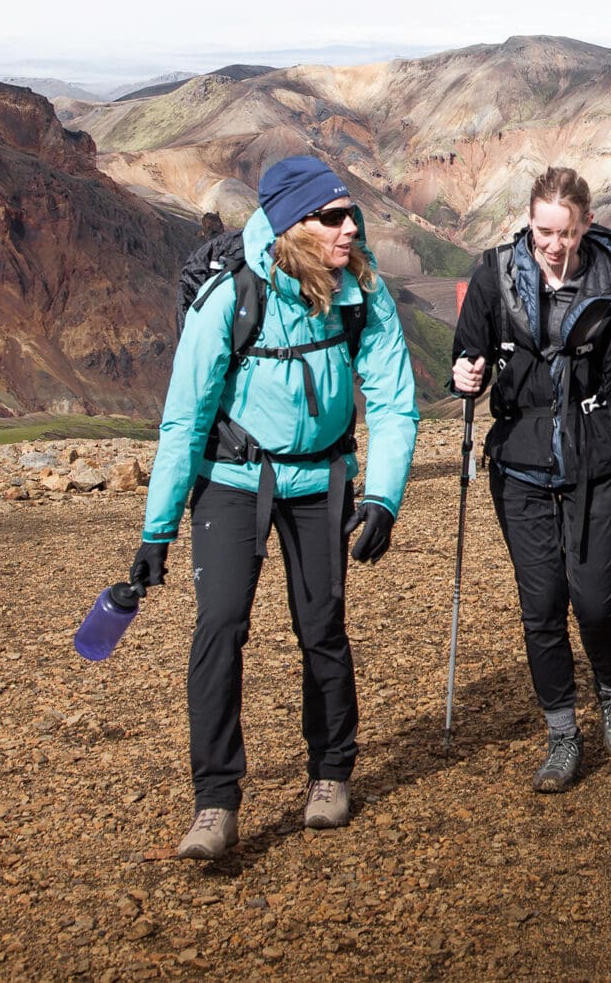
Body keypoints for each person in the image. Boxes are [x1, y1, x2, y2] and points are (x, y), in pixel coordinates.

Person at [135, 156, 419, 861]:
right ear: (295, 224)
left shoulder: (361, 287)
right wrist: (157, 528)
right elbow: (185, 417)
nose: (350, 227)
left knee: (322, 627)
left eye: (351, 214)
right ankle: (215, 801)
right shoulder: (232, 295)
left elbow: (391, 395)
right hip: (233, 482)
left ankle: (330, 772)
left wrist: (383, 494)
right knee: (220, 627)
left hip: (322, 481)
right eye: (333, 217)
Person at [449, 167, 611, 794]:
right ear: (530, 221)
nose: (553, 245)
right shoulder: (493, 275)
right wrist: (466, 373)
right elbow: (469, 352)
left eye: (565, 232)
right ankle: (563, 731)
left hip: (595, 456)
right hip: (519, 459)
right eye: (544, 231)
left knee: (593, 595)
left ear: (586, 224)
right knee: (541, 603)